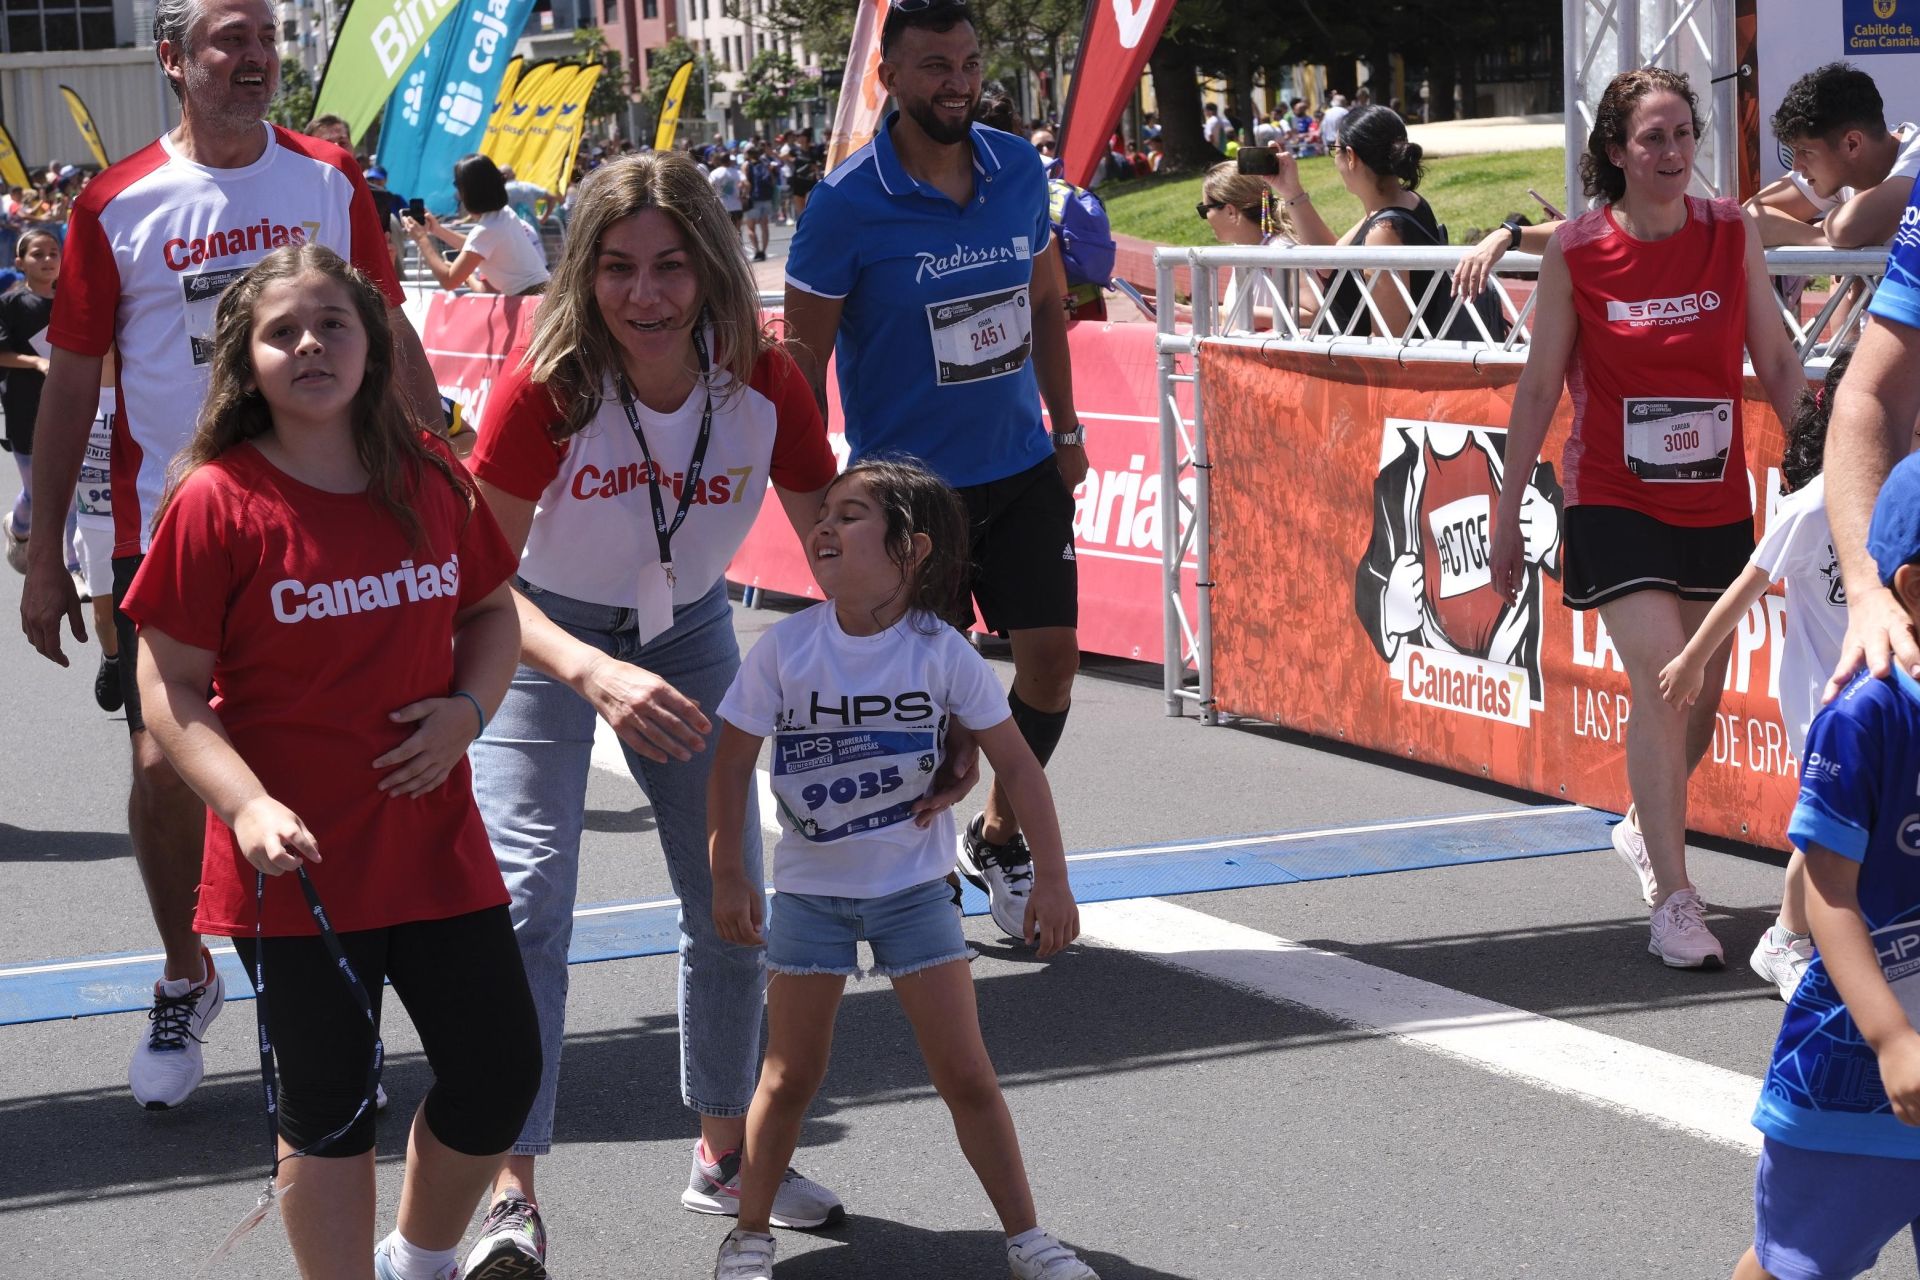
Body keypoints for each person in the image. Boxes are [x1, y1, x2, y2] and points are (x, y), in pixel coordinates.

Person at [17, 0, 442, 1111]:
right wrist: (45, 550)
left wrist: (437, 482)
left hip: (331, 518)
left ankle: (327, 1005)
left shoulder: (327, 181)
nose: (253, 59)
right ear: (173, 61)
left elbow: (387, 331)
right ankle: (184, 968)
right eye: (227, 41)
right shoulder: (115, 205)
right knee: (166, 769)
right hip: (171, 532)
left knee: (320, 759)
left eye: (264, 39)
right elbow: (70, 382)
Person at [456, 151, 849, 1278]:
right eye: (620, 267)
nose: (646, 295)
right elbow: (478, 583)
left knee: (733, 892)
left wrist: (910, 662)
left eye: (671, 266)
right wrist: (588, 669)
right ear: (584, 269)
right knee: (529, 897)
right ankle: (507, 1191)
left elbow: (829, 535)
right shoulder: (547, 385)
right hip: (534, 633)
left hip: (687, 630)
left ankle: (723, 1152)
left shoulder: (766, 378)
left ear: (712, 267)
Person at [123, 242, 539, 1280]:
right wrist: (248, 803)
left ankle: (423, 1258)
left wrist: (468, 710)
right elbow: (166, 685)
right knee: (330, 1112)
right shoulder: (217, 500)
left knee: (498, 1078)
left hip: (437, 845)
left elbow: (491, 612)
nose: (311, 344)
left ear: (375, 341)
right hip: (294, 866)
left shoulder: (429, 472)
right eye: (281, 331)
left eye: (333, 325)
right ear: (245, 359)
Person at [707, 460, 1096, 1280]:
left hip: (915, 893)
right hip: (810, 896)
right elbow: (730, 759)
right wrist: (727, 873)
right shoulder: (785, 647)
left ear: (910, 550)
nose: (822, 526)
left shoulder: (943, 650)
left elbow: (1019, 768)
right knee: (788, 1075)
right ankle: (747, 1236)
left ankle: (1028, 1238)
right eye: (823, 516)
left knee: (967, 1075)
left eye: (849, 516)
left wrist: (1054, 880)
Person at [1486, 67, 1807, 967]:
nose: (1670, 155)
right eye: (1650, 140)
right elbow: (1541, 385)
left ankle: (1642, 824)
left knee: (1700, 689)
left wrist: (1829, 461)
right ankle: (1674, 898)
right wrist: (1509, 510)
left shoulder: (1728, 232)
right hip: (1611, 492)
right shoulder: (1579, 251)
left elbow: (1776, 359)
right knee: (1666, 675)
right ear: (1616, 153)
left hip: (1713, 496)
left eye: (1680, 136)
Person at [784, 0, 1087, 945]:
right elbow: (800, 366)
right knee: (922, 704)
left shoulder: (1015, 171)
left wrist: (1067, 426)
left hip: (1023, 464)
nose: (956, 81)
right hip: (914, 496)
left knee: (1051, 665)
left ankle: (997, 833)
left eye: (966, 62)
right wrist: (824, 513)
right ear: (890, 78)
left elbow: (1045, 302)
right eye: (933, 67)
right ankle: (905, 887)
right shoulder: (844, 205)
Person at [1726, 452, 1920, 1280]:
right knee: (1792, 1268)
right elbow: (1830, 889)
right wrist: (1892, 1037)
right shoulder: (1867, 714)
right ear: (1913, 587)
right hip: (1854, 1068)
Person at [1658, 350, 1854, 1001]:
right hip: (1822, 703)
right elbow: (1745, 587)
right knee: (1832, 824)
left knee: (1868, 825)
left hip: (1884, 692)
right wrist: (1691, 660)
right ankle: (1783, 941)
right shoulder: (1812, 507)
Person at [1268, 104, 1451, 337]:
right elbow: (1330, 262)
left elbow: (1389, 337)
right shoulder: (1403, 203)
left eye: (1336, 150)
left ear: (1351, 156)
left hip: (1363, 370)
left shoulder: (1384, 231)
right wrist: (1291, 190)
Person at [1745, 61, 1920, 249]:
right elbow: (1750, 217)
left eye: (1805, 152)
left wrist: (1833, 232)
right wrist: (1821, 238)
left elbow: (1845, 230)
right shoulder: (1840, 167)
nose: (1796, 166)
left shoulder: (1916, 158)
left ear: (1852, 144)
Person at [404, 154, 550, 296]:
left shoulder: (486, 230)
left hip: (529, 300)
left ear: (468, 192)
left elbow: (449, 282)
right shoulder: (504, 214)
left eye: (457, 185)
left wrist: (422, 240)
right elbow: (474, 245)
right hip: (541, 294)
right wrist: (437, 230)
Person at [0, 227, 58, 573]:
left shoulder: (72, 298)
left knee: (69, 493)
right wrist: (37, 362)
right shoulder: (10, 304)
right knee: (37, 494)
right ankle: (18, 528)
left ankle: (71, 565)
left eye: (53, 252)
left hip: (68, 406)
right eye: (38, 254)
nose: (48, 260)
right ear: (20, 262)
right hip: (24, 406)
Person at [1194, 162, 1302, 332]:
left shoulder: (1283, 248)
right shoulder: (1242, 248)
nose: (1206, 217)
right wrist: (1184, 312)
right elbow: (1233, 313)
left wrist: (1248, 313)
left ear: (1230, 211)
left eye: (1204, 209)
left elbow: (1314, 313)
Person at [709, 149, 746, 246]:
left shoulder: (715, 173)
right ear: (729, 160)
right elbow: (746, 184)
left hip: (722, 206)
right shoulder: (736, 172)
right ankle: (740, 251)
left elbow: (708, 187)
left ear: (720, 161)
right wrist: (744, 194)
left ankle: (731, 252)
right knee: (737, 231)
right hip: (736, 206)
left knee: (725, 232)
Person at [743, 148, 775, 261]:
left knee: (750, 228)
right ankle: (764, 252)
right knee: (764, 226)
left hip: (754, 199)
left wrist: (745, 196)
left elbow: (746, 182)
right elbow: (772, 181)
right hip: (766, 198)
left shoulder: (747, 165)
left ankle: (757, 251)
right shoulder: (765, 164)